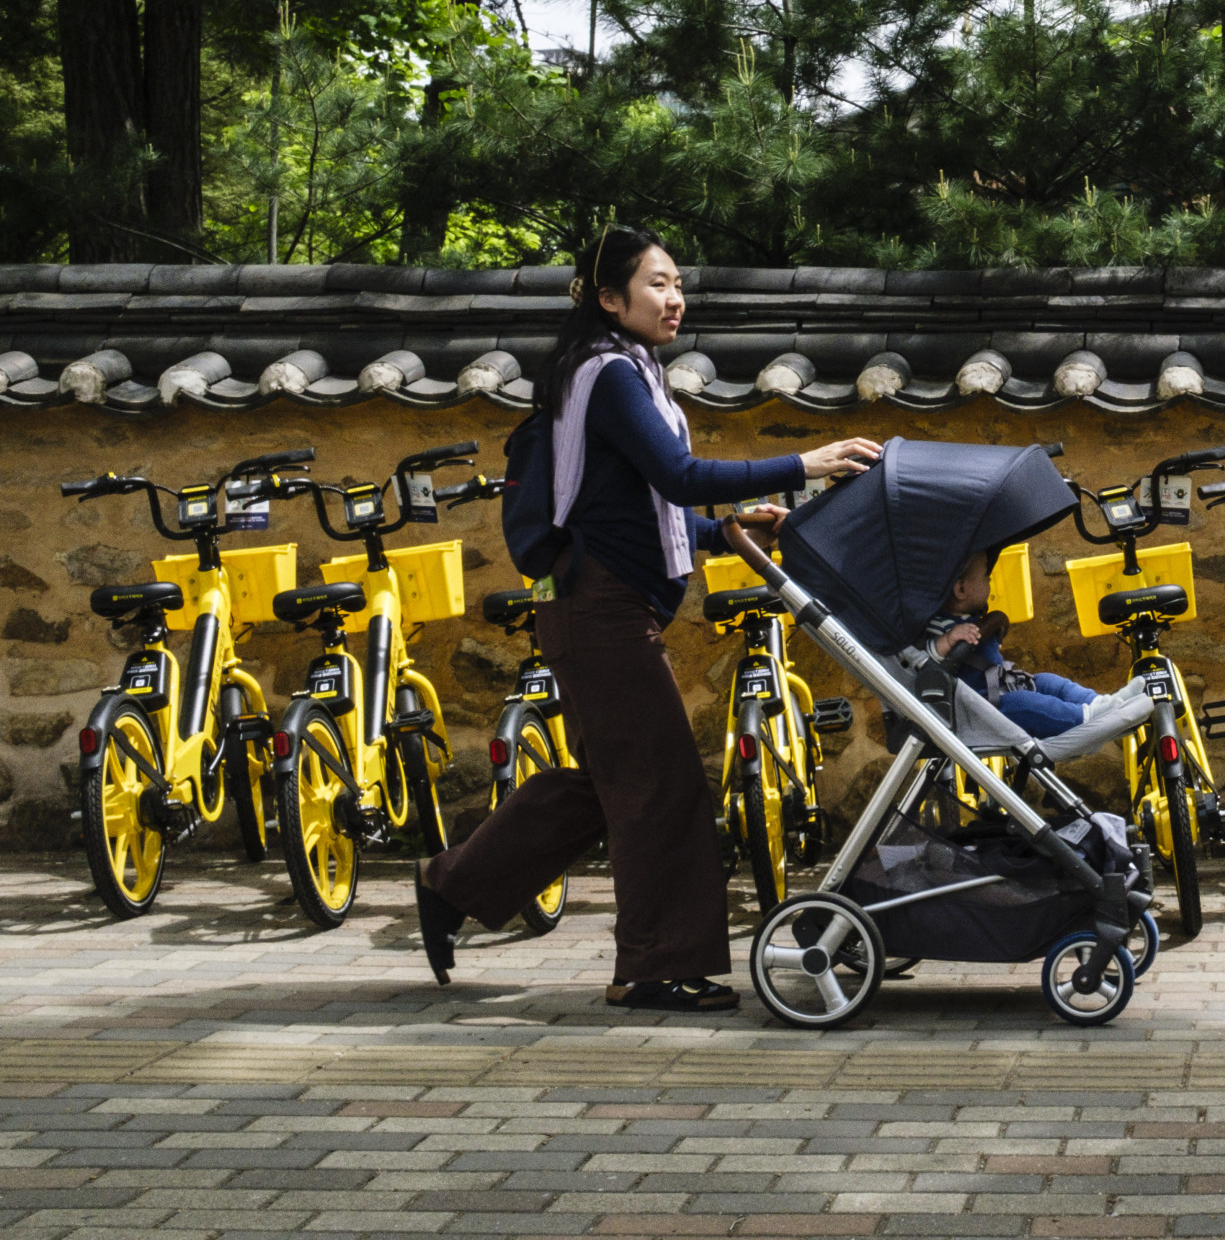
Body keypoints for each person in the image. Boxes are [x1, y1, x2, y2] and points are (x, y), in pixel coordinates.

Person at [413, 226, 883, 1012]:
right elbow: (677, 475)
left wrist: (726, 527)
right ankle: (653, 968)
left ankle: (452, 881)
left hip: (603, 602)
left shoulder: (626, 370)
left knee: (611, 786)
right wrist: (806, 462)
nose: (674, 297)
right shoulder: (608, 374)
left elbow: (632, 508)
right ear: (608, 298)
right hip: (600, 610)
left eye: (676, 283)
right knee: (662, 788)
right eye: (656, 284)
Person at [905, 552, 1151, 740]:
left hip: (1001, 685)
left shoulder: (972, 617)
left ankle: (1103, 703)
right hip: (981, 707)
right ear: (961, 588)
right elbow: (926, 661)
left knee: (1049, 682)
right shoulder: (939, 625)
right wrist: (948, 641)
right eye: (986, 578)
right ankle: (1087, 718)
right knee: (1028, 705)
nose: (990, 583)